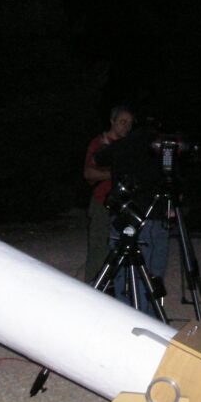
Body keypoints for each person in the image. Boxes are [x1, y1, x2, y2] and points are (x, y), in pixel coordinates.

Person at [93, 115, 170, 317]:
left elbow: (98, 159)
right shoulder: (161, 148)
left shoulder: (122, 144)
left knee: (121, 275)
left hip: (123, 216)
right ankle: (147, 319)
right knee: (150, 274)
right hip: (153, 218)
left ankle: (124, 317)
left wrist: (110, 145)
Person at [83, 106, 133, 282]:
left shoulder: (129, 145)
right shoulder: (99, 143)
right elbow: (88, 173)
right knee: (98, 248)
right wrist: (113, 174)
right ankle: (93, 286)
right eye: (122, 122)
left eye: (129, 124)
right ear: (112, 121)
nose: (126, 127)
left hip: (124, 204)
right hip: (102, 202)